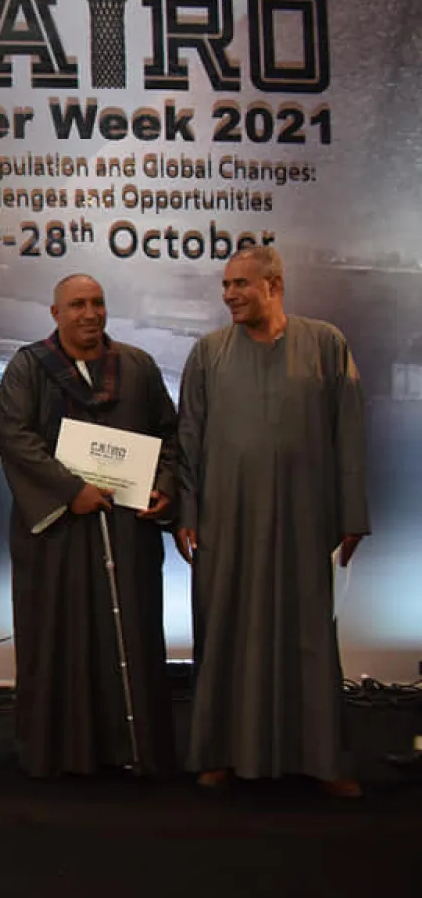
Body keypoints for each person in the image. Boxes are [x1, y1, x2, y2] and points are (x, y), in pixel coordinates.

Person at [177, 245, 369, 797]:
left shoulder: (325, 344)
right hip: (226, 517)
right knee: (225, 628)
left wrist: (352, 512)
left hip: (306, 517)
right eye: (226, 285)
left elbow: (349, 433)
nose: (230, 295)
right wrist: (186, 512)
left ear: (274, 284)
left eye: (241, 284)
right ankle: (218, 753)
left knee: (308, 633)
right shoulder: (208, 353)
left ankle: (322, 759)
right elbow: (188, 439)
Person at [0, 274, 178, 778]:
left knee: (132, 633)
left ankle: (134, 748)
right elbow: (15, 437)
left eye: (98, 303)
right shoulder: (29, 367)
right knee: (59, 634)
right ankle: (62, 753)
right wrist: (69, 491)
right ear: (55, 313)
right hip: (59, 533)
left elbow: (169, 431)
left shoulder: (137, 366)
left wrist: (164, 483)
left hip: (127, 528)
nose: (90, 313)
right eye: (77, 304)